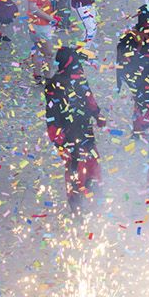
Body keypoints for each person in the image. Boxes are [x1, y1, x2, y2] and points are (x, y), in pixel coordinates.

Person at [42, 46, 106, 212]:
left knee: (89, 158)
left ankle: (92, 189)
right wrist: (58, 138)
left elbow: (88, 97)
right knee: (75, 164)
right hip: (68, 132)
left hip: (82, 127)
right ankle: (76, 199)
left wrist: (97, 115)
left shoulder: (74, 79)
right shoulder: (55, 84)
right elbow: (52, 114)